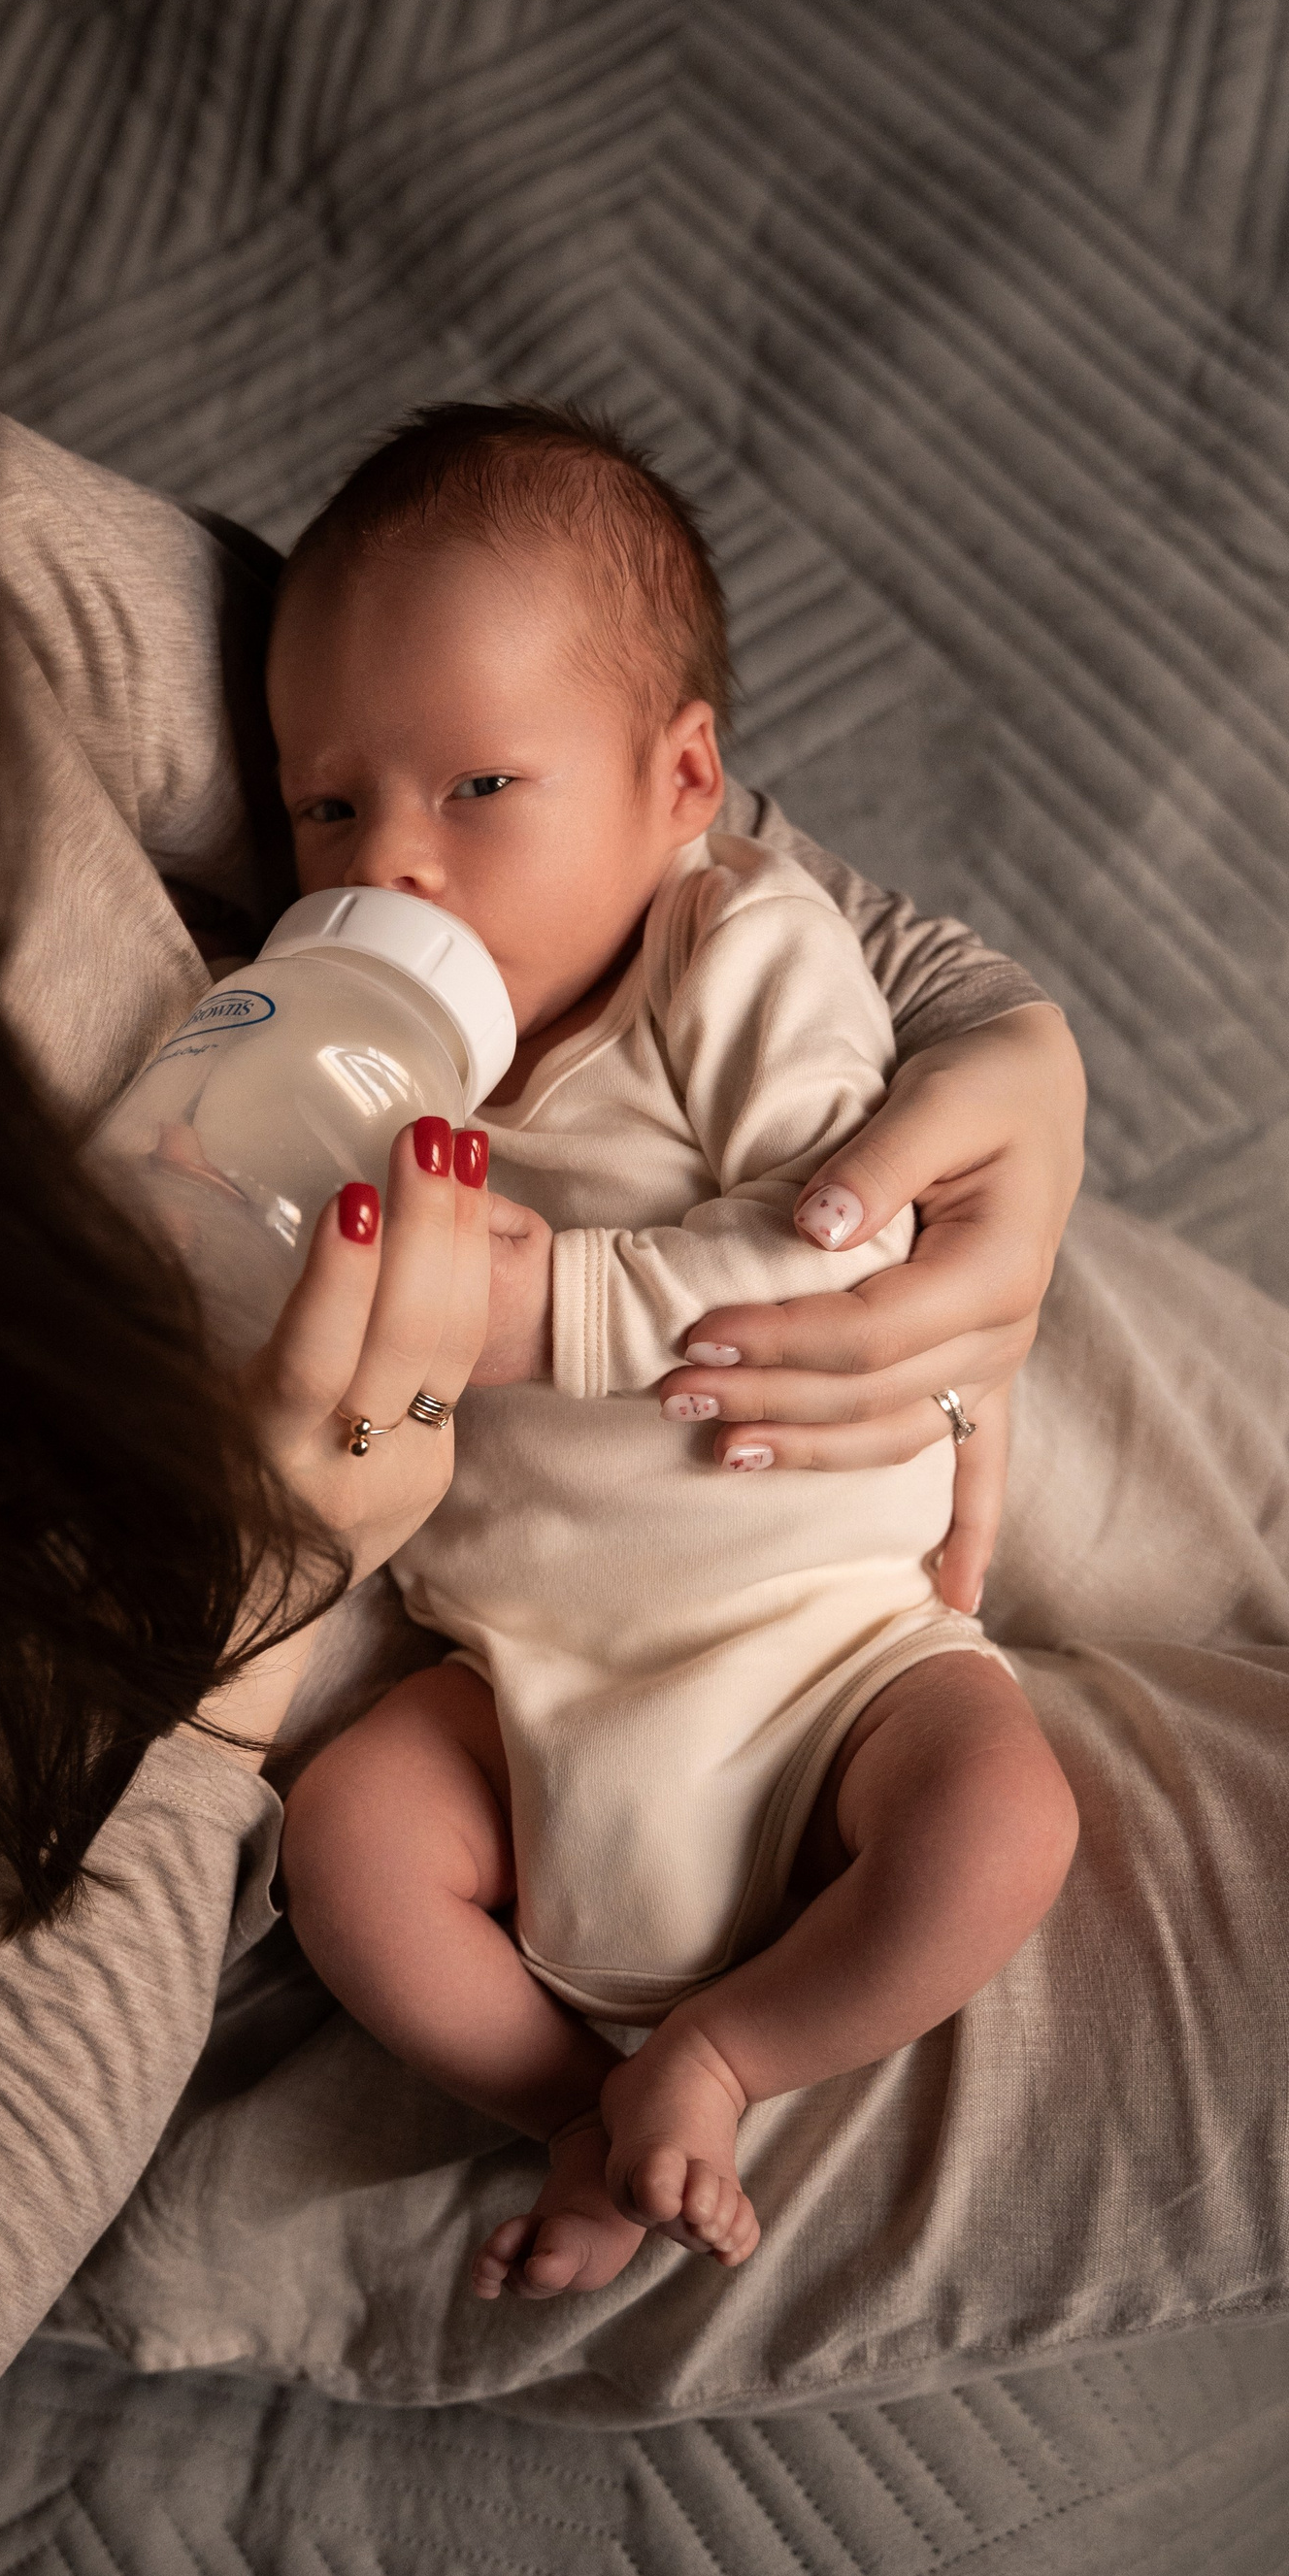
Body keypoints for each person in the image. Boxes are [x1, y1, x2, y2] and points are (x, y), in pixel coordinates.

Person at [0, 154, 1085, 2539]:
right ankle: (628, 2097)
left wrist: (997, 1052)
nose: (367, 860)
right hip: (281, 1831)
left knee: (1078, 1790)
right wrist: (235, 1641)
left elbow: (536, 730)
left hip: (805, 1451)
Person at [271, 404, 1079, 2300]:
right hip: (525, 1681)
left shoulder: (738, 963)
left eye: (479, 787)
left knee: (1004, 1823)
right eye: (329, 809)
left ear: (683, 781)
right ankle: (577, 2108)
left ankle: (723, 2055)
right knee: (348, 1842)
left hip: (824, 1645)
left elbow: (843, 1254)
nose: (396, 867)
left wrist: (547, 1308)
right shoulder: (354, 1051)